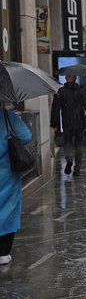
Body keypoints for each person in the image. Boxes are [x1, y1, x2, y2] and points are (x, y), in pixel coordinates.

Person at [0, 105, 33, 265]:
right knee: (8, 209)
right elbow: (26, 136)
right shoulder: (8, 116)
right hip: (7, 173)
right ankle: (3, 252)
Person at [50, 75, 86, 177]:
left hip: (67, 122)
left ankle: (69, 160)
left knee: (67, 143)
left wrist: (55, 123)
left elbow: (55, 108)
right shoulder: (82, 90)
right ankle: (77, 169)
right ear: (76, 78)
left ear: (66, 78)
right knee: (79, 144)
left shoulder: (61, 91)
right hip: (80, 122)